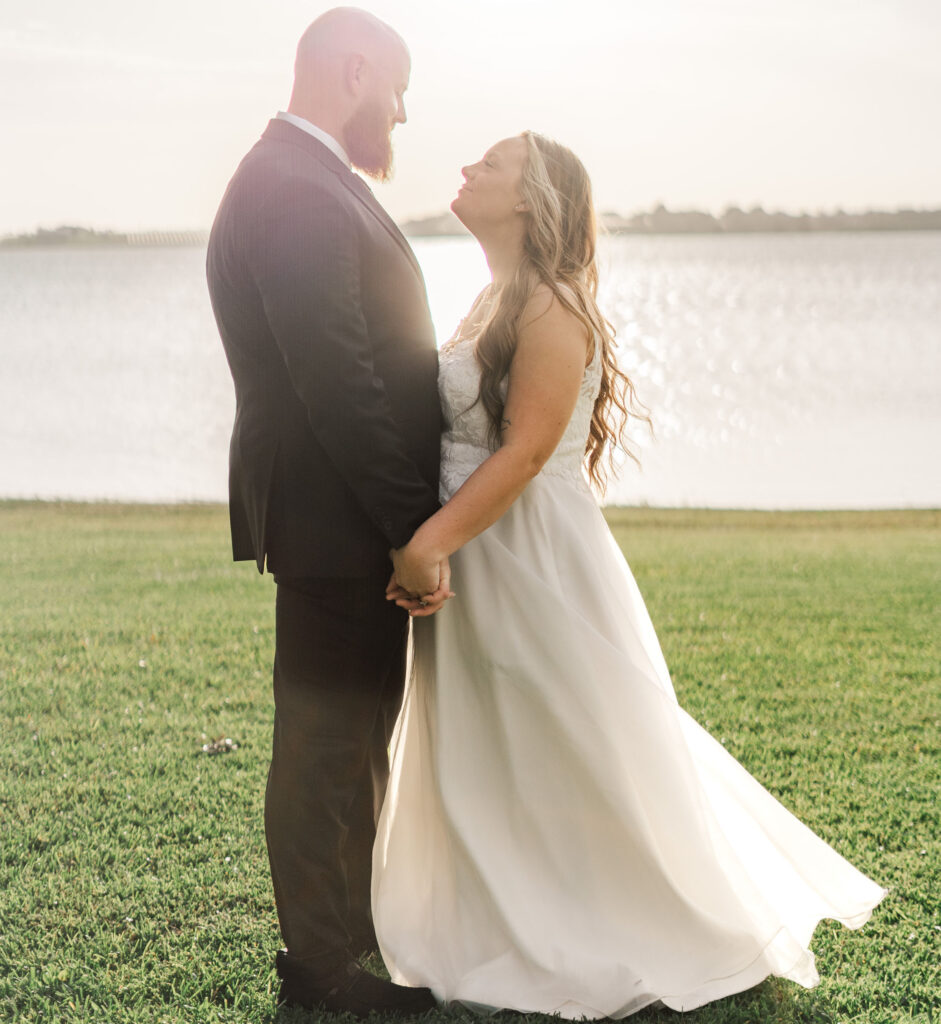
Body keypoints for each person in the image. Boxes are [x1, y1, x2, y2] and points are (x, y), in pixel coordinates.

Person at [374, 132, 887, 1018]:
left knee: (567, 737)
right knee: (497, 740)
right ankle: (501, 912)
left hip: (528, 554)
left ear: (531, 198)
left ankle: (610, 920)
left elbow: (529, 449)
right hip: (479, 548)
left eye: (487, 164)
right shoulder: (493, 296)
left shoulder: (551, 305)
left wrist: (431, 542)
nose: (464, 170)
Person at [205, 7, 448, 1016]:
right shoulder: (297, 189)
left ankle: (348, 942)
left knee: (349, 737)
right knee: (323, 746)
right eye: (395, 90)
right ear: (354, 71)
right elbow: (337, 380)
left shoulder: (303, 177)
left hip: (334, 514)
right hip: (336, 518)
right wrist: (407, 526)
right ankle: (323, 974)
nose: (401, 112)